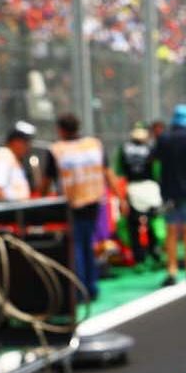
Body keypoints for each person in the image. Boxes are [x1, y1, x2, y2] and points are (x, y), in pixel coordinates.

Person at [49, 113, 109, 301]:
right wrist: (121, 197)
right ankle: (92, 287)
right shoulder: (94, 145)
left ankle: (79, 290)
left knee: (76, 248)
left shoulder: (58, 149)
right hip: (93, 201)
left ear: (61, 129)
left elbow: (46, 179)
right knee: (88, 244)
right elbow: (107, 171)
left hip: (71, 204)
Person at [156, 104, 186, 287]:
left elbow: (156, 157)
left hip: (168, 190)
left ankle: (171, 270)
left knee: (170, 230)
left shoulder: (164, 139)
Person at [114, 124, 159, 266]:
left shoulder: (124, 149)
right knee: (153, 222)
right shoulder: (152, 148)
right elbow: (157, 170)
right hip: (150, 187)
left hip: (132, 187)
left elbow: (119, 170)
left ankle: (139, 257)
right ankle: (154, 253)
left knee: (134, 224)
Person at [0, 121, 35, 201]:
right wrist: (11, 207)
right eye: (25, 142)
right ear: (14, 141)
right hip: (10, 211)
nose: (28, 146)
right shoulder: (4, 155)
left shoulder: (12, 157)